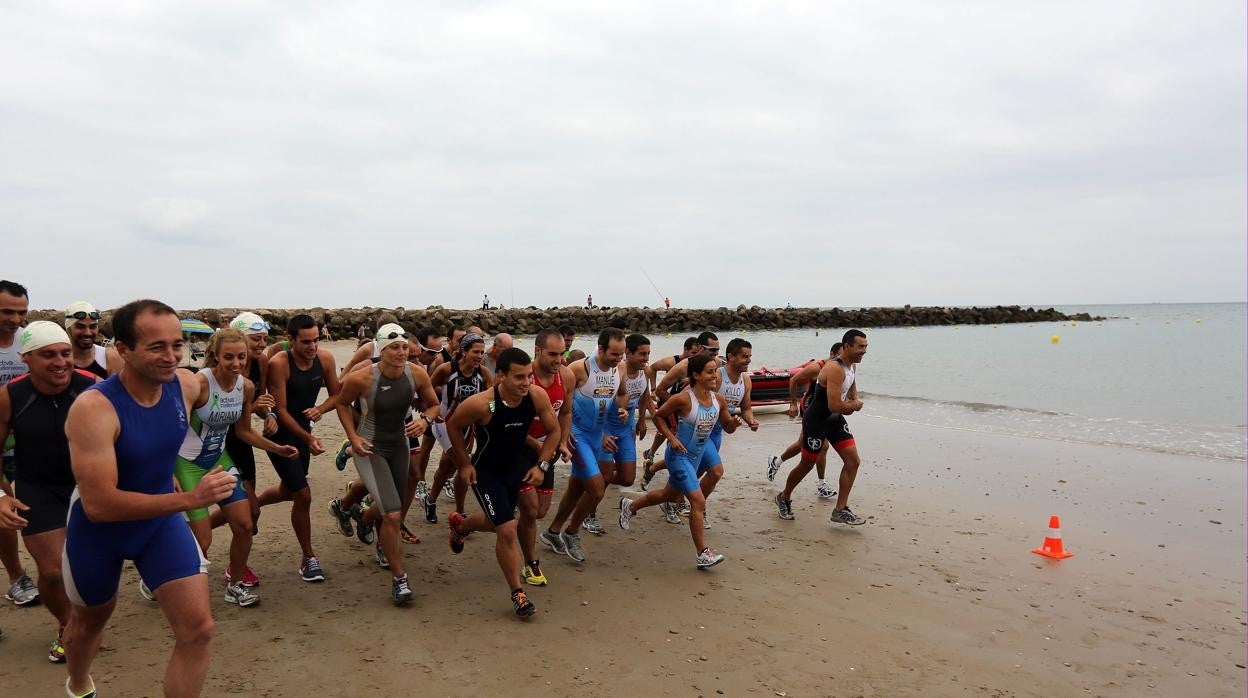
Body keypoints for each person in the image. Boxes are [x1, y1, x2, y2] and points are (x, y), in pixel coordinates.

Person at [63, 299, 238, 698]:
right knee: (90, 622)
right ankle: (78, 685)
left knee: (198, 630)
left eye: (177, 345)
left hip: (159, 524)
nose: (171, 356)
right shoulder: (94, 408)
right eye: (156, 346)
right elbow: (101, 505)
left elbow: (187, 432)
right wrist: (190, 497)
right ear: (122, 349)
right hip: (99, 533)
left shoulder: (187, 385)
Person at [176, 328, 299, 609]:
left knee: (245, 524)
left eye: (241, 357)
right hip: (187, 464)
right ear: (215, 357)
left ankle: (234, 586)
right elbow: (173, 430)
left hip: (219, 461)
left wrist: (277, 448)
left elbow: (244, 432)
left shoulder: (247, 387)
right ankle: (168, 579)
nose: (235, 363)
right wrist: (168, 472)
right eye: (228, 357)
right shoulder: (200, 384)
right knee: (203, 540)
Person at [0, 322, 98, 662]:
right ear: (26, 358)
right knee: (54, 571)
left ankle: (85, 621)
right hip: (36, 489)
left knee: (87, 568)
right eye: (48, 355)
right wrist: (2, 496)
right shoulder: (10, 395)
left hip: (86, 487)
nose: (60, 362)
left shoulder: (93, 388)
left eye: (65, 353)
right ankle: (67, 626)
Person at [445, 347, 559, 618]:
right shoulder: (483, 404)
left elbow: (554, 430)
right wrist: (464, 464)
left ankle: (460, 525)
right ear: (500, 377)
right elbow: (452, 426)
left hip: (517, 468)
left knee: (496, 521)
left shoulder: (535, 395)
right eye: (519, 377)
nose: (526, 383)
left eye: (529, 376)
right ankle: (518, 593)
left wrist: (541, 465)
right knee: (507, 528)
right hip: (487, 472)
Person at [330, 326, 438, 605]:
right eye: (394, 348)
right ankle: (399, 580)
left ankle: (360, 515)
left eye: (404, 348)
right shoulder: (363, 378)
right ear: (382, 350)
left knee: (394, 504)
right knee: (392, 515)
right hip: (370, 447)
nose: (401, 353)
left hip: (399, 445)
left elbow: (434, 406)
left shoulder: (416, 373)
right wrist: (353, 438)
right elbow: (341, 403)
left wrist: (425, 420)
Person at [618, 353, 735, 569]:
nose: (715, 377)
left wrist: (735, 423)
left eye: (716, 372)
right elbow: (658, 416)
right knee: (698, 501)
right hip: (678, 456)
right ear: (696, 375)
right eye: (710, 372)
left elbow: (727, 426)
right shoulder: (683, 398)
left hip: (697, 455)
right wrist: (671, 438)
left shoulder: (718, 400)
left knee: (668, 495)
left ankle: (631, 506)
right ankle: (702, 553)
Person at [257, 314, 341, 582]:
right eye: (306, 342)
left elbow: (338, 393)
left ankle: (253, 505)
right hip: (280, 435)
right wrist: (307, 438)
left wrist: (320, 409)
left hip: (303, 433)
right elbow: (280, 410)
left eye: (316, 340)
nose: (313, 347)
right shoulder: (279, 363)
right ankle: (309, 558)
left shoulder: (325, 359)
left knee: (288, 491)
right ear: (290, 340)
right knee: (303, 495)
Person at [539, 328, 628, 564]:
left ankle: (553, 531)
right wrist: (560, 437)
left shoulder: (621, 369)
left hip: (600, 436)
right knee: (597, 489)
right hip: (577, 437)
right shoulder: (579, 369)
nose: (619, 359)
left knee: (577, 489)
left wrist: (620, 409)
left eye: (622, 354)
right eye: (614, 354)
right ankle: (572, 532)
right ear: (600, 348)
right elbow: (561, 407)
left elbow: (620, 394)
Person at [773, 330, 869, 525]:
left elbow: (851, 389)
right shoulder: (834, 368)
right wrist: (853, 406)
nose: (864, 351)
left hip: (834, 421)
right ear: (847, 346)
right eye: (860, 347)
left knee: (853, 462)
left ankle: (840, 510)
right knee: (806, 464)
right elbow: (834, 405)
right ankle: (784, 497)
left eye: (866, 347)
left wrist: (853, 400)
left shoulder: (852, 367)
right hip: (816, 422)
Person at [209, 312, 275, 589]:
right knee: (248, 511)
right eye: (255, 338)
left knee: (252, 512)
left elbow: (259, 402)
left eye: (264, 339)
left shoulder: (260, 364)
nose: (261, 344)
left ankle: (233, 562)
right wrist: (253, 406)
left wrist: (269, 414)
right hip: (217, 445)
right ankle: (234, 566)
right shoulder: (210, 375)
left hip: (241, 443)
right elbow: (219, 410)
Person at [516, 329, 574, 586]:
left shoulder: (567, 376)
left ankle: (462, 525)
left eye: (561, 354)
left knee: (539, 512)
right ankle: (530, 563)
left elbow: (566, 413)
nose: (558, 360)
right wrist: (537, 445)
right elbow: (507, 422)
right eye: (552, 354)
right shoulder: (523, 378)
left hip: (546, 449)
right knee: (529, 510)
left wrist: (561, 441)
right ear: (537, 351)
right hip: (517, 448)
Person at [584, 333, 652, 535]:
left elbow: (645, 395)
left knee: (628, 478)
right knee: (604, 473)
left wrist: (641, 420)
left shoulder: (644, 372)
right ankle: (590, 514)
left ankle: (591, 480)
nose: (646, 358)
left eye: (648, 353)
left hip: (626, 428)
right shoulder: (617, 370)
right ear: (628, 354)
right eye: (642, 354)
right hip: (606, 428)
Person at [421, 333, 492, 523]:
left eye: (482, 353)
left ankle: (430, 500)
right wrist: (427, 410)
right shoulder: (446, 369)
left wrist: (490, 414)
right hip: (444, 424)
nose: (479, 356)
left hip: (468, 428)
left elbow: (493, 399)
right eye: (475, 352)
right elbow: (425, 387)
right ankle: (459, 514)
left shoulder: (483, 373)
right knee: (463, 465)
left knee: (446, 467)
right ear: (463, 351)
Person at [0, 280, 38, 610]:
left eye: (21, 312)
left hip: (26, 445)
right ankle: (16, 576)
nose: (15, 319)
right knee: (4, 506)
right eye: (7, 311)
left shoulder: (27, 342)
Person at [766, 343, 842, 498]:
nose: (843, 360)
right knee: (823, 445)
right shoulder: (817, 367)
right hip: (810, 406)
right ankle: (821, 485)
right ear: (832, 354)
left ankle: (776, 461)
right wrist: (792, 403)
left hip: (825, 409)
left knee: (803, 443)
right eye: (840, 356)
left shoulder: (842, 367)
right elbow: (794, 380)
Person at [640, 334, 714, 487]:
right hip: (672, 403)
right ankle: (652, 456)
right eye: (693, 353)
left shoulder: (709, 365)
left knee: (681, 448)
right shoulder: (677, 363)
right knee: (672, 439)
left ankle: (653, 465)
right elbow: (652, 369)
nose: (713, 353)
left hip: (687, 409)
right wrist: (653, 389)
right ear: (688, 350)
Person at [64, 302, 122, 379]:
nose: (88, 333)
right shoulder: (59, 359)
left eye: (93, 327)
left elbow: (118, 390)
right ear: (68, 329)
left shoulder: (111, 358)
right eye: (81, 327)